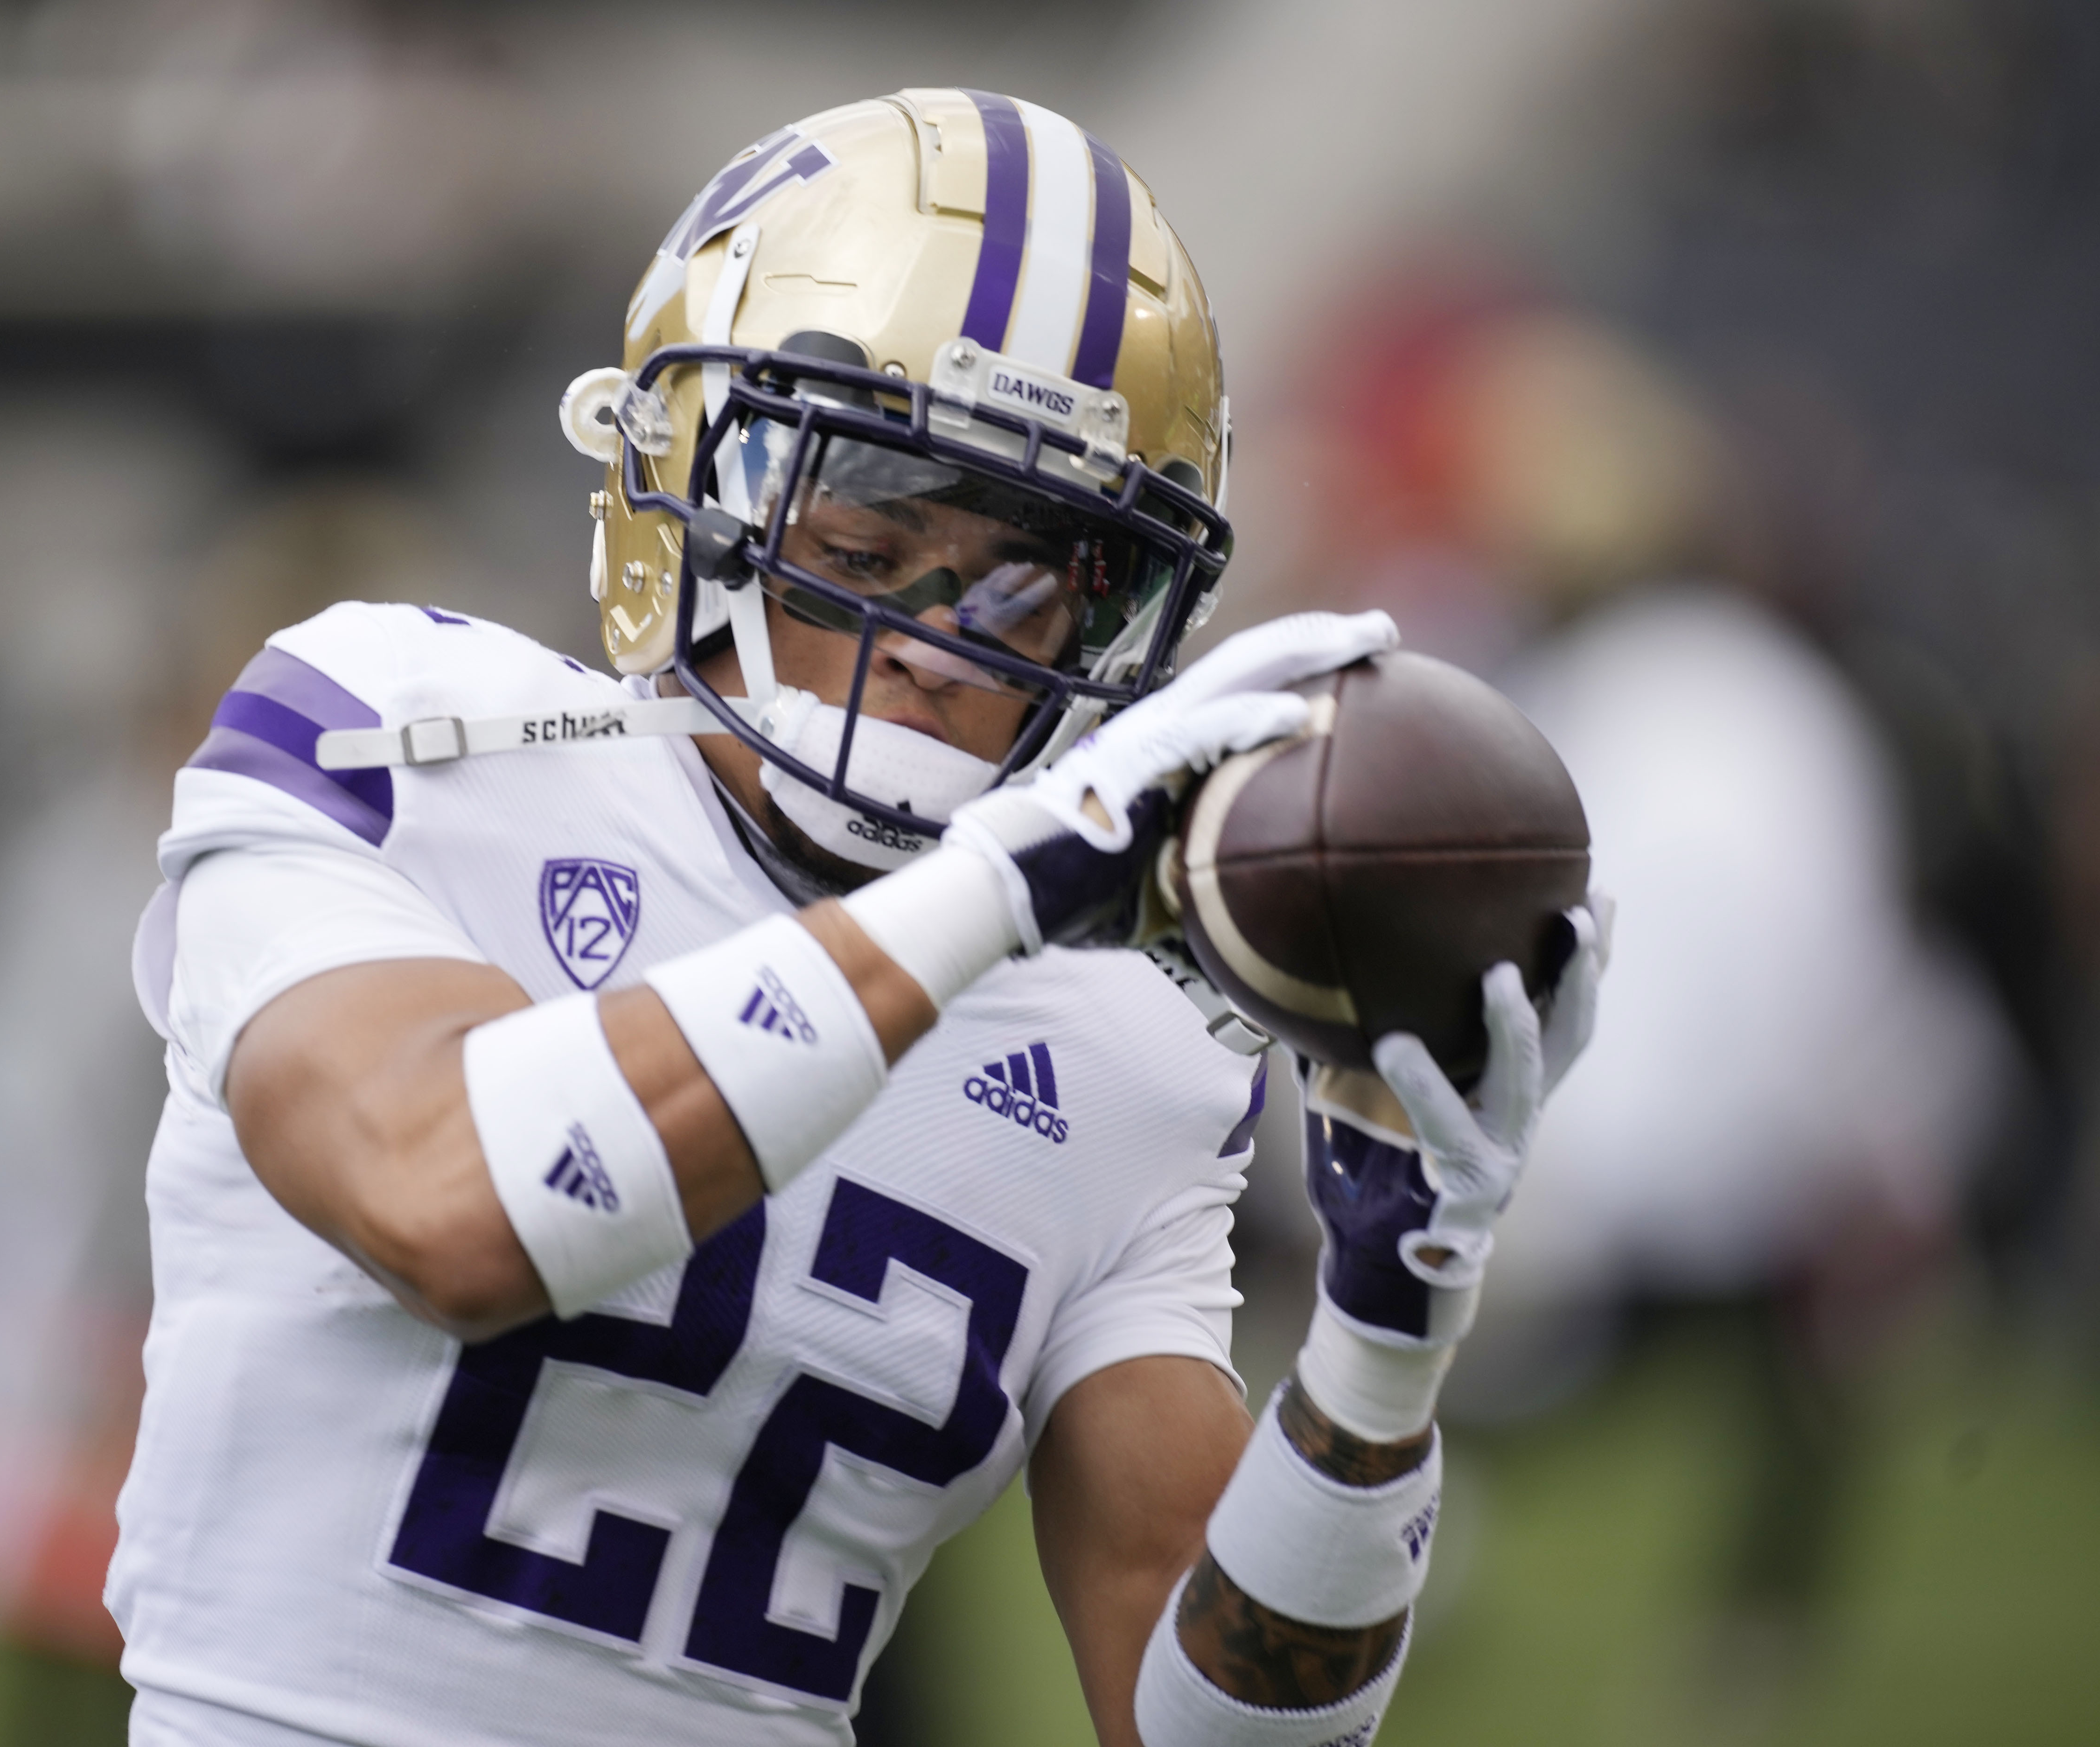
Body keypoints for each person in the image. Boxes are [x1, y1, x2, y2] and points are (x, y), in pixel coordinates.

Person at [107, 92, 1605, 1747]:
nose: (948, 640)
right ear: (686, 478)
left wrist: (1390, 1339)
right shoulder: (398, 733)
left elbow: (1212, 1739)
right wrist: (999, 896)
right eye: (871, 539)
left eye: (1040, 580)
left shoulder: (1131, 1049)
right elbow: (449, 1205)